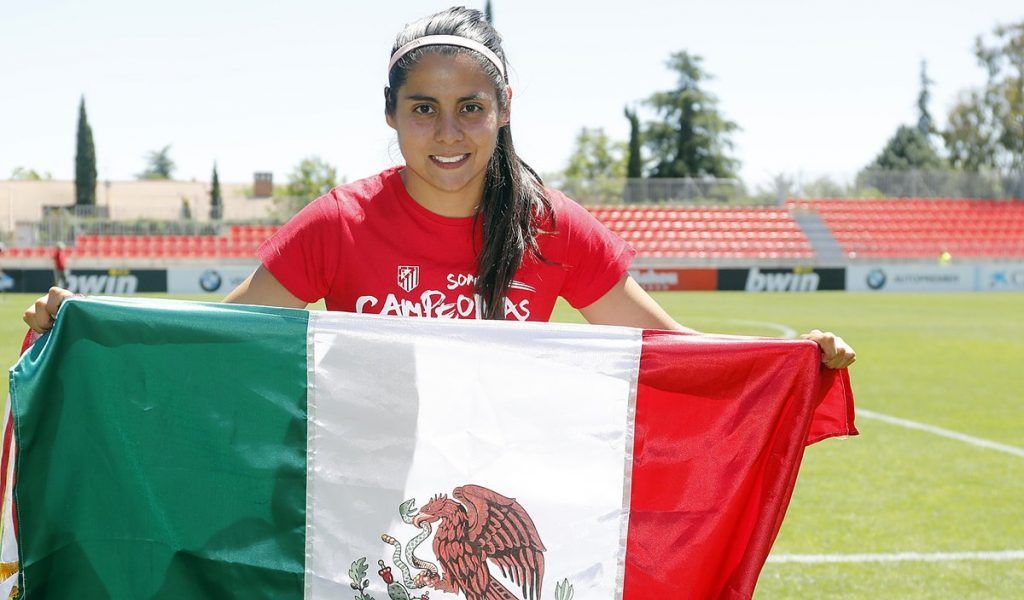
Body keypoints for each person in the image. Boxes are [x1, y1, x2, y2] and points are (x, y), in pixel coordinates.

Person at [22, 6, 854, 369]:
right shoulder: (339, 224)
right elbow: (218, 334)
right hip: (357, 500)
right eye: (423, 109)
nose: (448, 133)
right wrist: (90, 325)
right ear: (389, 114)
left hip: (502, 496)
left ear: (504, 110)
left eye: (469, 109)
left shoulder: (552, 227)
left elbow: (670, 349)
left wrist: (790, 360)